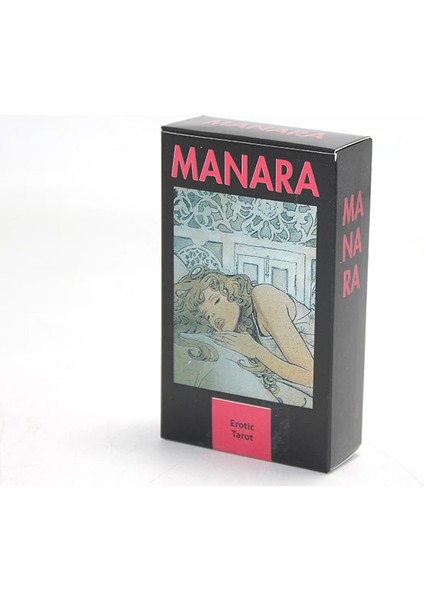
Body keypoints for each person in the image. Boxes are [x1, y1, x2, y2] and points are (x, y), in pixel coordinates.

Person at [174, 266, 314, 388]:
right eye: (207, 316)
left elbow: (311, 377)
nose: (214, 316)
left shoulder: (263, 296)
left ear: (233, 291)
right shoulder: (242, 330)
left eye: (216, 301)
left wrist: (257, 351)